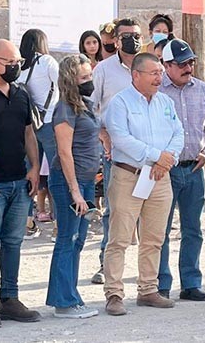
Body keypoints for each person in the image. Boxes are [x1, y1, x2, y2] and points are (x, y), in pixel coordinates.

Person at [102, 53, 184, 314]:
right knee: (120, 238)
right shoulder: (120, 103)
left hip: (160, 177)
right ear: (136, 75)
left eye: (160, 72)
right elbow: (120, 138)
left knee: (154, 238)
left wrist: (166, 160)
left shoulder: (165, 102)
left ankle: (148, 289)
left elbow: (178, 133)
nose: (159, 78)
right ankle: (114, 293)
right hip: (129, 176)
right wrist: (155, 155)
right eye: (154, 73)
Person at [0, 39, 42, 328]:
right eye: (9, 63)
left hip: (19, 180)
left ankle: (10, 299)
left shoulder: (21, 93)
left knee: (13, 242)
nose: (15, 68)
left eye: (19, 64)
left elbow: (28, 133)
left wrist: (36, 167)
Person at [157, 39, 205, 301]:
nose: (188, 67)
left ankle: (191, 283)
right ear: (166, 65)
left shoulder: (203, 91)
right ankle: (160, 285)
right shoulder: (157, 93)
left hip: (194, 169)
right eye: (181, 64)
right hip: (165, 171)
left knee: (193, 228)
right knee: (161, 230)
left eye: (191, 62)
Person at [45, 55, 101, 319]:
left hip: (87, 180)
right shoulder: (65, 109)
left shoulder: (84, 105)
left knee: (77, 240)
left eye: (90, 76)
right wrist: (75, 191)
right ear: (71, 81)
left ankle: (71, 295)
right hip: (70, 182)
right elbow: (64, 153)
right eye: (84, 78)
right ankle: (63, 302)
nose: (89, 82)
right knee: (67, 238)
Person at [89, 17, 143, 284]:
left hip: (148, 154)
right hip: (116, 155)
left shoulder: (151, 68)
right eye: (126, 36)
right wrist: (102, 133)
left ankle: (151, 273)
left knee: (149, 212)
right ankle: (106, 266)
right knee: (113, 210)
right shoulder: (104, 70)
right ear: (115, 40)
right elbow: (91, 107)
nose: (132, 39)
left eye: (136, 34)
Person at [18, 29, 59, 234]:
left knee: (30, 171)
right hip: (49, 121)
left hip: (28, 126)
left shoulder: (20, 65)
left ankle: (27, 221)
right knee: (56, 172)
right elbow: (62, 83)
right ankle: (58, 223)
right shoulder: (48, 62)